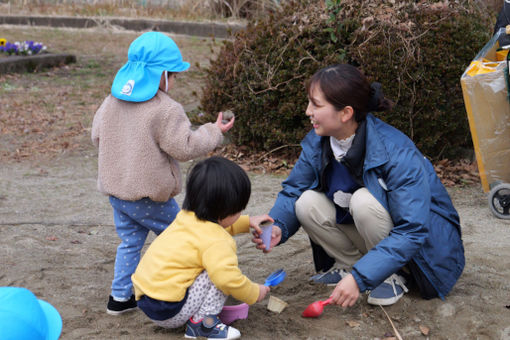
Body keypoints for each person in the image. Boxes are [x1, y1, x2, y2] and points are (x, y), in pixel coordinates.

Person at [252, 64, 465, 307]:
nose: (307, 111)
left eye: (316, 104)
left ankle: (392, 274)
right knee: (306, 202)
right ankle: (353, 266)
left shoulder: (396, 151)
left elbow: (412, 230)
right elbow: (294, 190)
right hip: (375, 233)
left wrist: (360, 279)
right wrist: (278, 225)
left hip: (423, 251)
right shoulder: (319, 141)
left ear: (345, 113)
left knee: (363, 200)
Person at [91, 31, 234, 315]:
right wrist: (214, 131)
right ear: (162, 74)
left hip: (117, 193)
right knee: (185, 236)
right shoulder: (165, 110)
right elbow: (185, 147)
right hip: (148, 196)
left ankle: (119, 298)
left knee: (130, 242)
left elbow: (97, 136)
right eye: (174, 75)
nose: (174, 82)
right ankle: (191, 289)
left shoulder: (112, 101)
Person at [131, 156, 271, 339]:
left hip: (145, 299)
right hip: (169, 310)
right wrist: (254, 292)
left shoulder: (185, 218)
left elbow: (214, 225)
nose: (241, 214)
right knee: (219, 274)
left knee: (208, 263)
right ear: (226, 210)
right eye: (239, 210)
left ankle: (197, 319)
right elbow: (228, 280)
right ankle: (204, 324)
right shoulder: (218, 241)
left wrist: (247, 223)